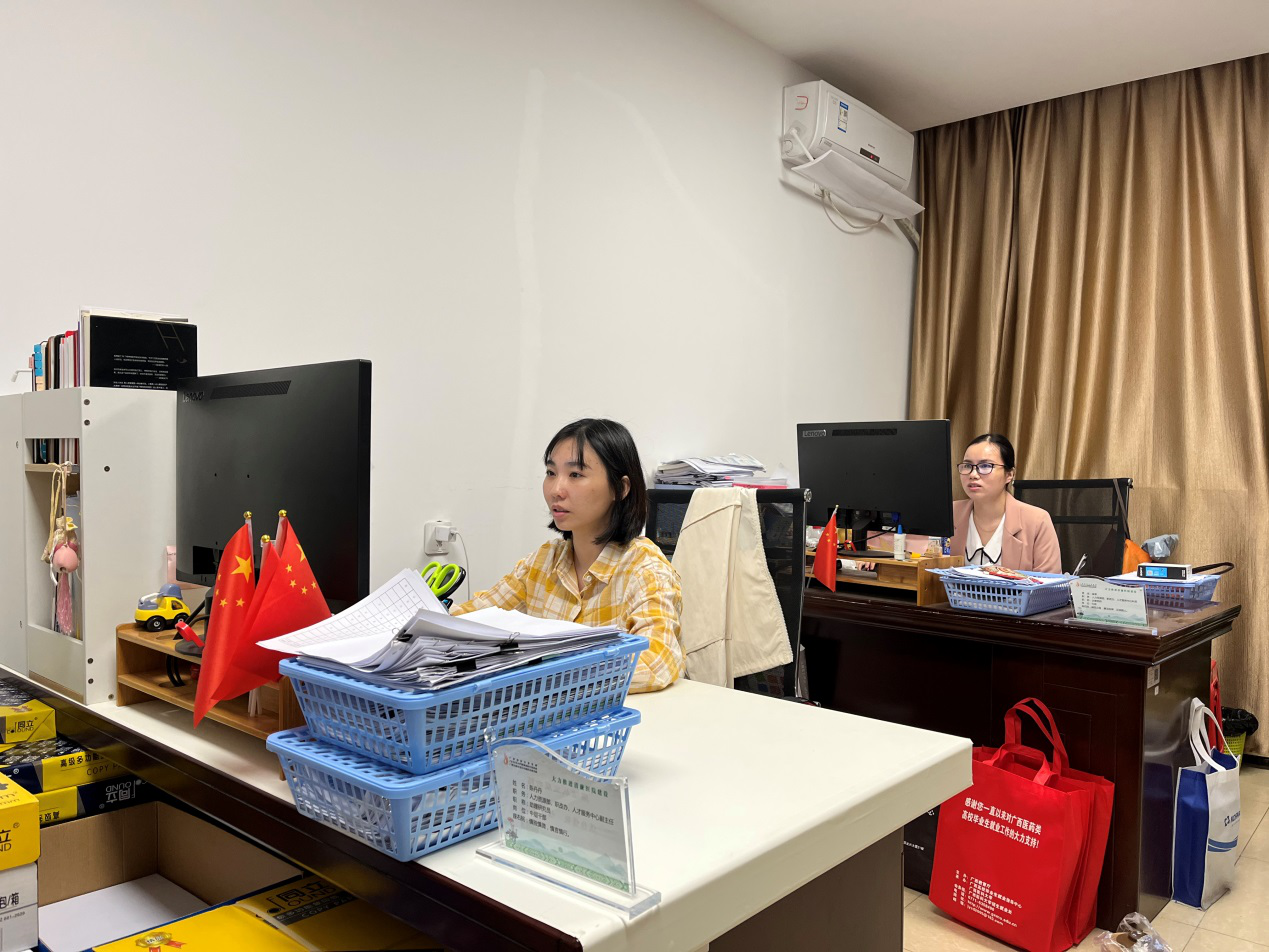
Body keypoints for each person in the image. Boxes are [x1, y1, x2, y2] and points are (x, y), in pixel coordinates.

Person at [451, 419, 684, 693]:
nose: (555, 490)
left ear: (620, 489)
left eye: (575, 475)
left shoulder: (646, 570)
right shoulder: (543, 562)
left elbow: (657, 662)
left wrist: (547, 670)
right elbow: (470, 619)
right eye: (551, 472)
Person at [948, 432, 1061, 573]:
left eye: (985, 466)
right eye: (967, 466)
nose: (973, 474)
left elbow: (1049, 584)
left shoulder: (1037, 521)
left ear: (1009, 474)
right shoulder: (948, 514)